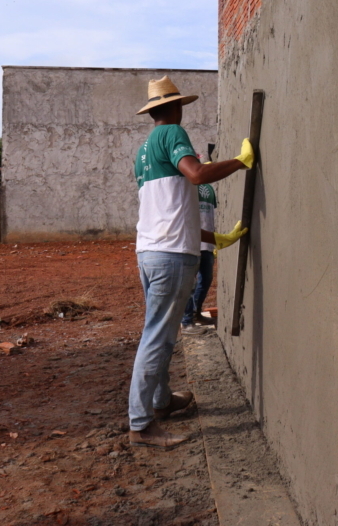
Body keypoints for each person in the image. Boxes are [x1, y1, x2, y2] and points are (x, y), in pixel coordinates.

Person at [128, 76, 254, 448]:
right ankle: (141, 424)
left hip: (149, 252)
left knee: (159, 332)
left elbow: (170, 213)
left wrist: (218, 239)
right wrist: (239, 162)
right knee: (158, 337)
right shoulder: (173, 134)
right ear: (175, 106)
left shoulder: (144, 150)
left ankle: (161, 402)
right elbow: (197, 175)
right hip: (171, 258)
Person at [181, 181, 217, 330]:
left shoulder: (208, 187)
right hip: (190, 242)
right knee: (189, 283)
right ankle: (187, 320)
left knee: (206, 279)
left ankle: (196, 312)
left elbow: (210, 214)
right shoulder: (186, 184)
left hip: (207, 244)